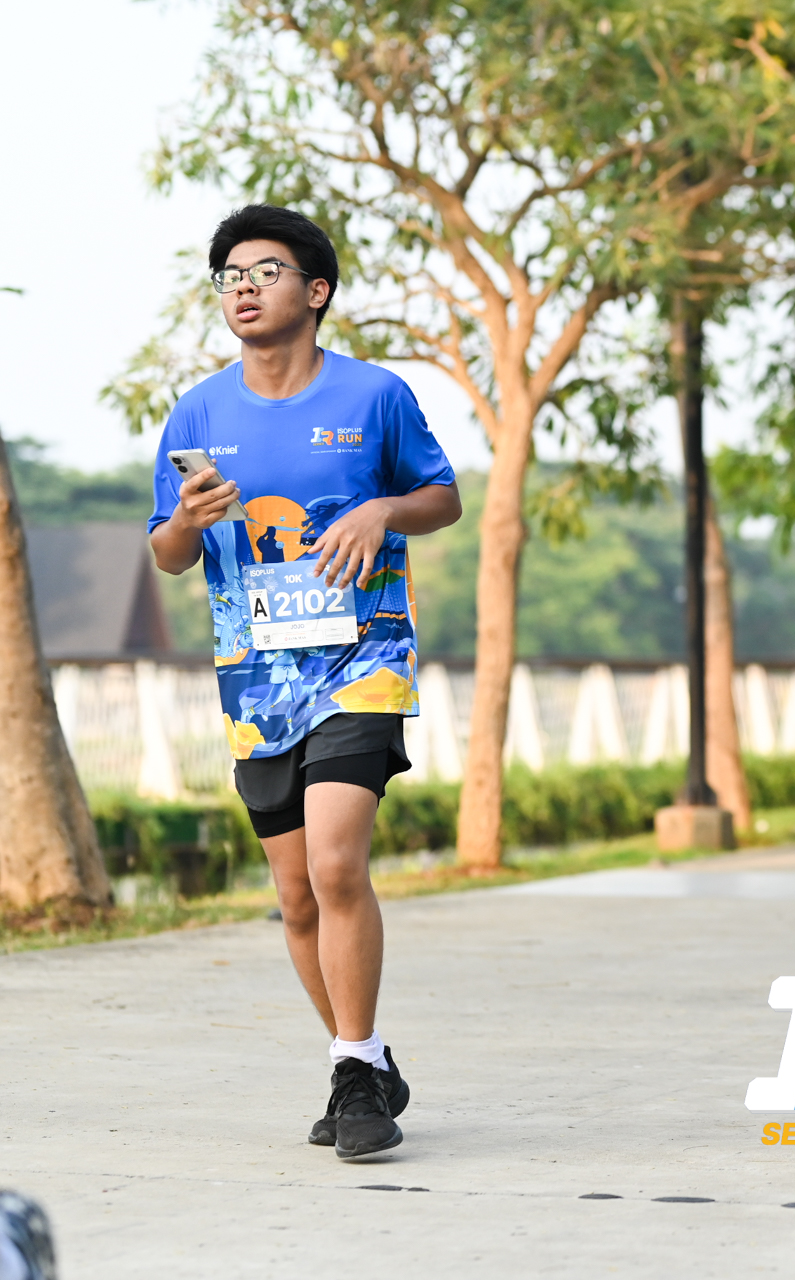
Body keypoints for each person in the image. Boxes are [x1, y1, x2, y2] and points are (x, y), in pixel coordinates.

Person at [147, 205, 461, 1159]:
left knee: (334, 864)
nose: (243, 288)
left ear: (316, 291)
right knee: (295, 896)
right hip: (257, 681)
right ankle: (361, 1056)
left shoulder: (374, 396)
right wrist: (189, 522)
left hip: (363, 661)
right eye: (230, 276)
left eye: (266, 271)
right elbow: (166, 552)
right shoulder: (198, 413)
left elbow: (443, 497)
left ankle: (354, 1073)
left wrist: (381, 512)